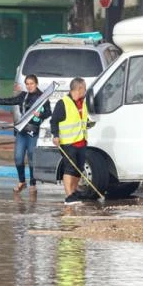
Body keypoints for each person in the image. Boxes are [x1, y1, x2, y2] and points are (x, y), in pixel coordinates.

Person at [0, 74, 52, 193]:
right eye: (27, 84)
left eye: (31, 83)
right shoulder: (23, 96)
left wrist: (40, 115)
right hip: (22, 131)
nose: (29, 86)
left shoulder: (42, 97)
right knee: (18, 158)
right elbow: (9, 101)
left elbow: (48, 112)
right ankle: (22, 181)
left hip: (33, 131)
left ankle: (33, 183)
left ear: (36, 84)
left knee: (31, 156)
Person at [50, 77, 89, 205]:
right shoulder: (63, 103)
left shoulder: (83, 102)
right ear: (79, 88)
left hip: (81, 141)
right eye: (84, 88)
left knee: (79, 168)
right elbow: (54, 121)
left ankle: (73, 192)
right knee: (70, 168)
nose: (85, 90)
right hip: (68, 143)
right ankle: (68, 196)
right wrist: (55, 135)